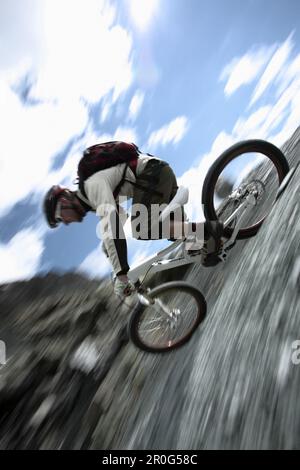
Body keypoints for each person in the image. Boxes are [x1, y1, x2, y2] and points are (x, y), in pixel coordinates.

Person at [43, 142, 223, 299]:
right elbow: (119, 217)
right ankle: (219, 236)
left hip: (152, 176)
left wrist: (121, 272)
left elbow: (111, 222)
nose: (65, 223)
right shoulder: (91, 197)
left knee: (142, 229)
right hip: (157, 174)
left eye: (61, 218)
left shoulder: (91, 187)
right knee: (184, 239)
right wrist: (108, 250)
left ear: (64, 202)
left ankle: (208, 230)